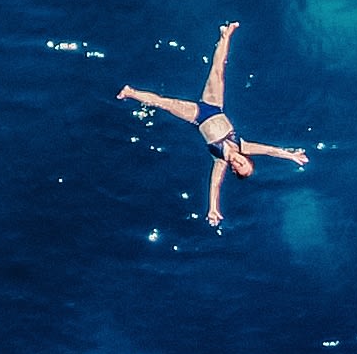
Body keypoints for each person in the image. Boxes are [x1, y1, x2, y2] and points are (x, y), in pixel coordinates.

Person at [119, 21, 310, 227]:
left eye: (238, 168)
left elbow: (215, 187)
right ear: (246, 159)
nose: (238, 163)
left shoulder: (220, 162)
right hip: (215, 106)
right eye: (244, 163)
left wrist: (213, 208)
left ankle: (130, 92)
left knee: (164, 103)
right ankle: (226, 35)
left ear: (234, 171)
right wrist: (291, 155)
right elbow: (271, 151)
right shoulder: (243, 146)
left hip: (198, 116)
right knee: (218, 69)